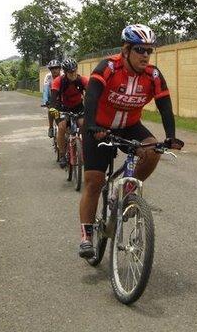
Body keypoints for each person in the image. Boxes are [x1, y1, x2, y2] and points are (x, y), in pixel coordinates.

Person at [78, 24, 184, 258]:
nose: (145, 55)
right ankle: (86, 235)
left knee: (153, 149)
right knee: (94, 181)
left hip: (130, 126)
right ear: (126, 50)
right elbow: (92, 97)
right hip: (100, 126)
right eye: (140, 50)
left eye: (149, 51)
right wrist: (92, 125)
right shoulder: (108, 67)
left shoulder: (153, 75)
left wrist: (170, 136)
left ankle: (128, 190)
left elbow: (165, 107)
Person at [49, 58, 88, 169]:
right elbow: (53, 99)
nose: (73, 74)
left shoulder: (82, 80)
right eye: (70, 72)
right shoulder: (59, 81)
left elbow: (91, 95)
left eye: (75, 71)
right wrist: (52, 108)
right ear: (65, 72)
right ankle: (62, 154)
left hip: (79, 107)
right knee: (61, 127)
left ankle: (82, 149)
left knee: (84, 125)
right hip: (64, 108)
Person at [42, 59, 62, 138]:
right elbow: (46, 89)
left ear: (60, 68)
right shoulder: (48, 76)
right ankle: (50, 127)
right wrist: (45, 101)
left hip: (63, 96)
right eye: (52, 68)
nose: (54, 70)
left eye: (56, 68)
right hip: (52, 96)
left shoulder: (63, 75)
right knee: (51, 110)